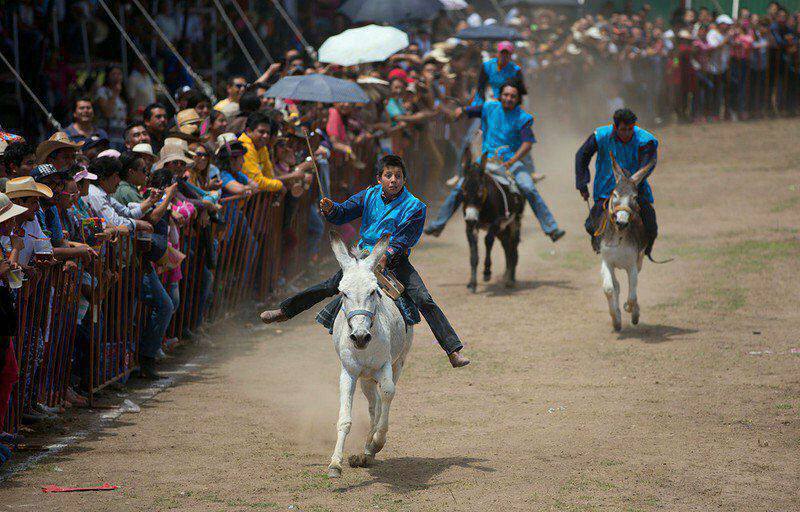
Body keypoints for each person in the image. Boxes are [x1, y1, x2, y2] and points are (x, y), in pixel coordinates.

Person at [259, 154, 470, 368]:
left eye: (398, 176)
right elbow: (342, 214)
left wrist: (386, 255)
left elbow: (405, 239)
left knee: (424, 299)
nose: (393, 180)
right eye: (388, 175)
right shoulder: (368, 195)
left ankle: (452, 350)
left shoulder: (416, 206)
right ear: (379, 178)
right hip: (363, 259)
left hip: (395, 261)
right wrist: (331, 209)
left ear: (404, 180)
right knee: (329, 286)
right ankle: (286, 311)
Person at [426, 83, 565, 242]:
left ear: (518, 99)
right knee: (461, 187)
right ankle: (438, 224)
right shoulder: (489, 108)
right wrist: (460, 111)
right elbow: (467, 111)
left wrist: (513, 159)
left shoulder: (523, 118)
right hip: (486, 162)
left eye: (513, 96)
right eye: (506, 95)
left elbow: (527, 143)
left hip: (511, 163)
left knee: (528, 187)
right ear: (500, 96)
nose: (509, 98)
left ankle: (551, 228)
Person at [575, 108, 658, 256]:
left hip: (636, 192)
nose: (626, 133)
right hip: (607, 192)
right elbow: (582, 155)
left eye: (630, 129)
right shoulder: (601, 136)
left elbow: (649, 163)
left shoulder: (645, 140)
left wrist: (633, 181)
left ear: (634, 126)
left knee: (651, 226)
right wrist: (582, 183)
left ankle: (645, 252)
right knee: (590, 225)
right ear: (615, 127)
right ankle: (601, 249)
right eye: (623, 129)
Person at [238, 112, 283, 192]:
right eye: (261, 132)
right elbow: (257, 181)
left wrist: (275, 183)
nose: (265, 136)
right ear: (248, 131)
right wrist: (279, 185)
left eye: (268, 133)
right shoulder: (244, 147)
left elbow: (269, 175)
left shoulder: (262, 147)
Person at [472, 41, 527, 106]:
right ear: (497, 53)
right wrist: (481, 103)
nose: (504, 56)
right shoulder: (487, 66)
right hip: (488, 99)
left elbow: (520, 90)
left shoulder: (515, 70)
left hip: (507, 101)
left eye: (507, 54)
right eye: (502, 53)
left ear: (511, 55)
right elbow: (481, 87)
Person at [95, 65, 128, 149]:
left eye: (119, 74)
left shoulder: (122, 94)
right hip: (109, 136)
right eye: (114, 74)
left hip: (121, 136)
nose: (117, 77)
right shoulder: (102, 91)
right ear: (108, 77)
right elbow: (108, 113)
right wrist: (114, 93)